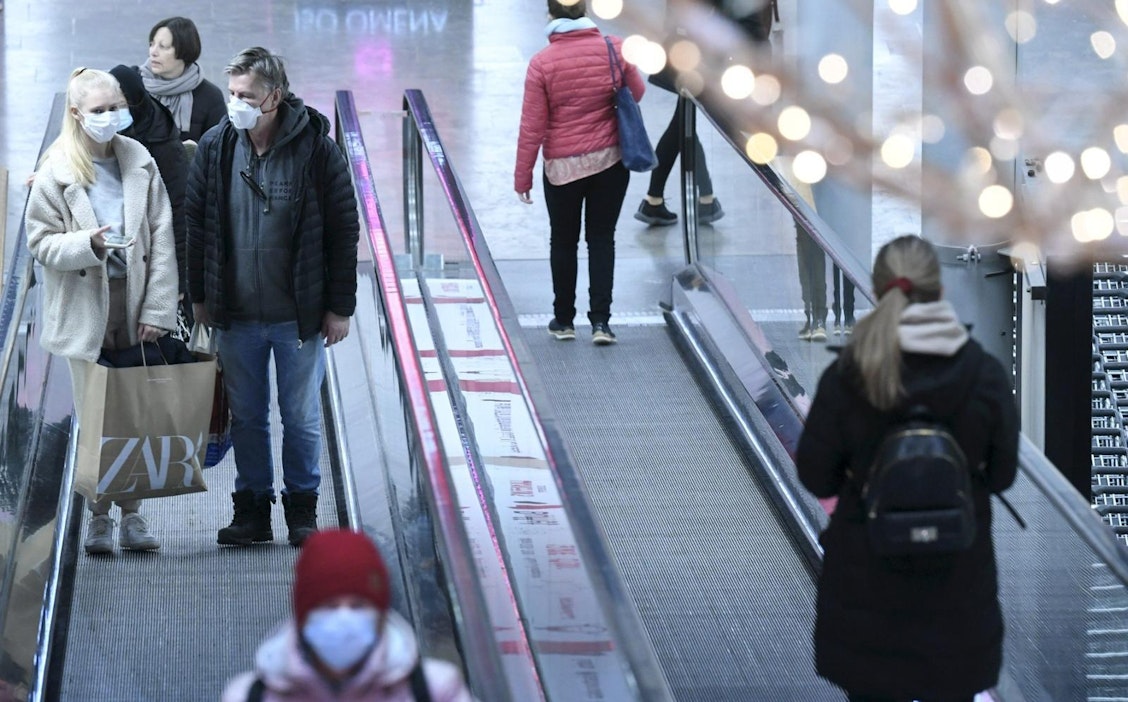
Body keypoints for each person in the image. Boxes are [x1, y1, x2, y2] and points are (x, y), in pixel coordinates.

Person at [795, 235, 1019, 702]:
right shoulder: (983, 374)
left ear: (878, 292)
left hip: (867, 587)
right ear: (939, 291)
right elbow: (1001, 476)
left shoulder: (850, 375)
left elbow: (815, 475)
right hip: (957, 586)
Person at [186, 47, 359, 548]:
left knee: (301, 417)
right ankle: (252, 510)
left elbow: (344, 230)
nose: (237, 104)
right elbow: (195, 226)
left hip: (298, 315)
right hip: (236, 313)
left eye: (248, 96)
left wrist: (339, 306)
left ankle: (302, 510)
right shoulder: (218, 146)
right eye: (233, 94)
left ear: (275, 96)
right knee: (247, 417)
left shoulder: (316, 151)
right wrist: (200, 296)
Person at [25, 68, 179, 554]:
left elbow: (162, 233)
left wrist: (158, 307)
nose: (112, 116)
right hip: (84, 308)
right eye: (100, 110)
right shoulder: (56, 170)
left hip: (133, 305)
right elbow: (41, 242)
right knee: (96, 416)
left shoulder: (138, 159)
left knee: (133, 411)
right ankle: (97, 517)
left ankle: (133, 516)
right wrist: (86, 244)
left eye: (116, 106)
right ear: (76, 114)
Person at [515, 0, 645, 345]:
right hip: (610, 162)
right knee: (602, 239)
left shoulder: (542, 63)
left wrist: (522, 176)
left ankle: (564, 320)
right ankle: (601, 323)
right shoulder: (615, 48)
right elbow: (638, 92)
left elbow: (533, 126)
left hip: (562, 168)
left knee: (563, 240)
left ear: (550, 14)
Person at [221, 529, 475, 702]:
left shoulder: (436, 690)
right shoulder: (248, 696)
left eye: (358, 606)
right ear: (302, 615)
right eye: (328, 606)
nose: (343, 618)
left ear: (380, 614)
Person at [634, 0, 774, 227]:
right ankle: (666, 199)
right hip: (706, 67)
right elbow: (746, 29)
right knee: (686, 125)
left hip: (694, 61)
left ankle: (665, 199)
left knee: (683, 124)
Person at [109, 64, 192, 333]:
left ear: (135, 103)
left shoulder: (163, 145)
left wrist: (177, 287)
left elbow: (179, 215)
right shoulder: (108, 136)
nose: (111, 113)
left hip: (154, 264)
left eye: (118, 105)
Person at [139, 16, 226, 143]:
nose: (153, 52)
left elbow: (217, 147)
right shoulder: (134, 83)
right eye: (152, 44)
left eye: (163, 46)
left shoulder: (210, 96)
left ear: (184, 50)